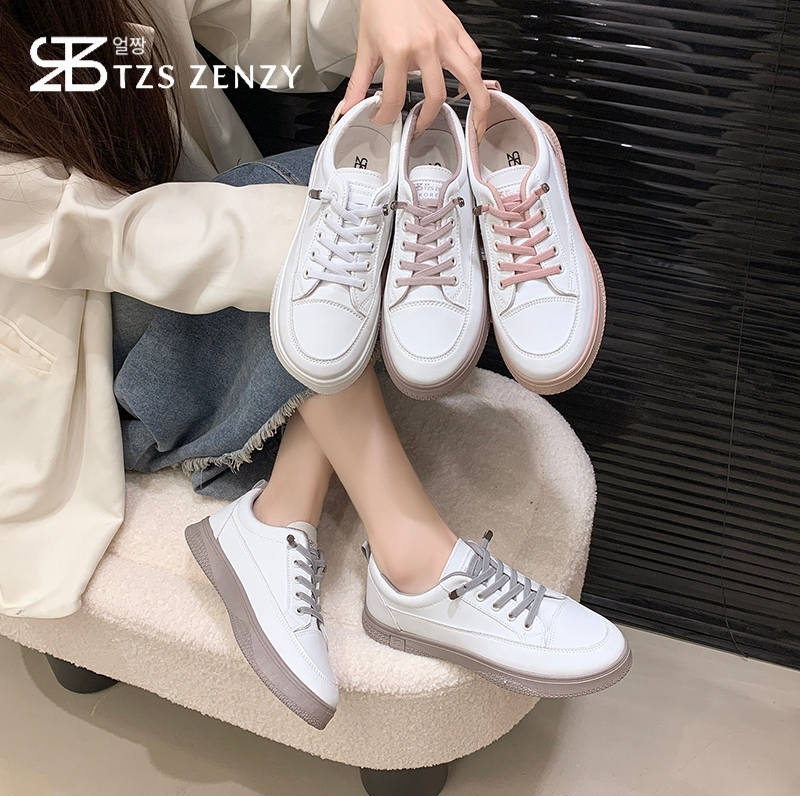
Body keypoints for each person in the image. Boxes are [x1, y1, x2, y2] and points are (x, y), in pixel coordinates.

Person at [0, 0, 630, 729]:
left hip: (170, 263)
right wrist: (310, 239)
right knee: (343, 224)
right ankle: (414, 559)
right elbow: (91, 237)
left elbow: (277, 20)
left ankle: (281, 516)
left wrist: (375, 9)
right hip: (81, 352)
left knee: (374, 187)